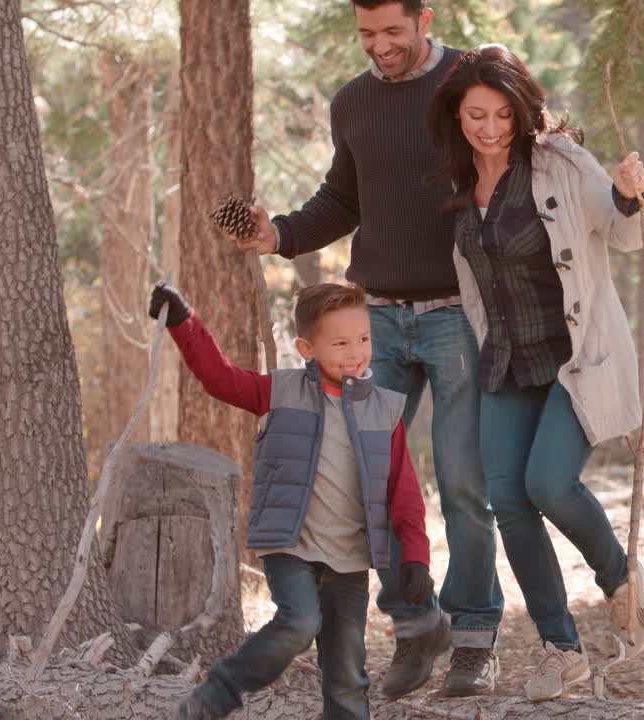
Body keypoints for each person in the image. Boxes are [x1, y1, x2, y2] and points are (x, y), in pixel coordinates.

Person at [229, 0, 503, 697]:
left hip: (456, 317)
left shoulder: (469, 85)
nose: (378, 46)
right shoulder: (352, 102)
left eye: (391, 32)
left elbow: (518, 166)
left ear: (424, 19)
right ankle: (417, 625)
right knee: (357, 476)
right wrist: (278, 235)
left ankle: (474, 637)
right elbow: (343, 199)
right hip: (372, 321)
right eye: (366, 34)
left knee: (465, 483)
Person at [427, 44, 644, 703]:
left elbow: (623, 232)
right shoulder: (457, 180)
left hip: (572, 359)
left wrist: (628, 195)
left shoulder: (557, 161)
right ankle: (561, 648)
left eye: (502, 114)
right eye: (476, 114)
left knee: (549, 485)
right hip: (504, 361)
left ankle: (619, 577)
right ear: (458, 113)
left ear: (521, 111)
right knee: (509, 502)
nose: (490, 127)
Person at [152, 282, 432, 720]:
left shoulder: (386, 408)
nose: (356, 352)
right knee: (299, 622)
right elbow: (219, 378)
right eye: (340, 343)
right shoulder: (280, 392)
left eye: (363, 339)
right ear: (307, 347)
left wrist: (415, 556)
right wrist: (184, 323)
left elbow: (404, 492)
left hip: (351, 558)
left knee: (346, 673)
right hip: (291, 544)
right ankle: (217, 693)